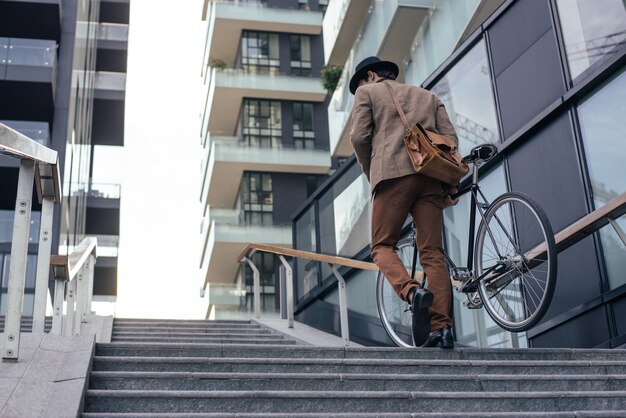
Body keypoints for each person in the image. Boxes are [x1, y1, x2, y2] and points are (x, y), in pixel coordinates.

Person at [349, 56, 456, 348]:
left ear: (370, 75)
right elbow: (450, 140)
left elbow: (359, 137)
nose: (360, 86)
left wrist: (373, 171)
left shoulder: (367, 92)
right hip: (431, 176)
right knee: (433, 252)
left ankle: (412, 292)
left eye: (360, 80)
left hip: (392, 175)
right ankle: (441, 328)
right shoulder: (428, 96)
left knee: (382, 246)